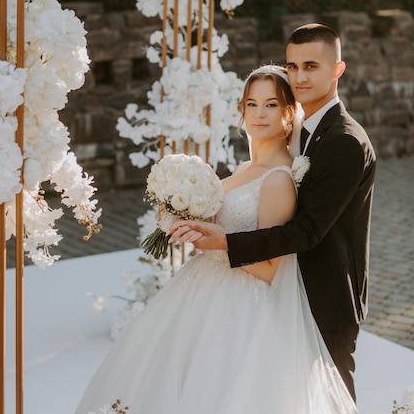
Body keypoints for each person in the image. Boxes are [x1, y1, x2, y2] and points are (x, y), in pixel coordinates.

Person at [75, 64, 357, 413]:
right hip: (200, 291)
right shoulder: (243, 170)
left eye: (271, 104)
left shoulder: (278, 180)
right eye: (252, 104)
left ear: (289, 112)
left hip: (240, 308)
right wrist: (181, 217)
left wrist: (218, 244)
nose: (259, 113)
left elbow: (272, 270)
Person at [172, 23, 376, 402]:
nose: (299, 76)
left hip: (324, 296)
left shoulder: (344, 141)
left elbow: (307, 231)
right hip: (281, 292)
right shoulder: (302, 132)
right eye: (293, 65)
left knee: (331, 401)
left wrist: (226, 243)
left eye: (311, 66)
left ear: (337, 69)